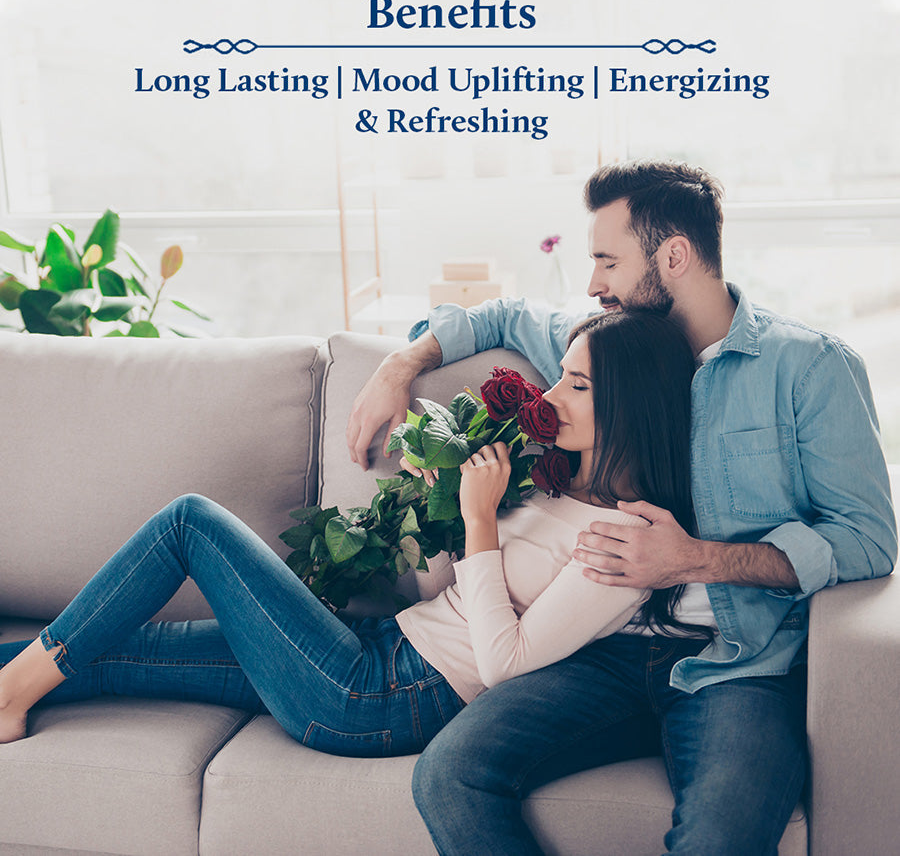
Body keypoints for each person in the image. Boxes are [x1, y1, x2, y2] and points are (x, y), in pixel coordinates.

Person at [346, 159, 897, 854]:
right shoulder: (604, 342)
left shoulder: (809, 368)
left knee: (720, 838)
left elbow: (868, 540)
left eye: (608, 260)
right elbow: (502, 314)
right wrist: (399, 366)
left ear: (673, 257)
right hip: (594, 650)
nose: (593, 284)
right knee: (451, 775)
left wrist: (695, 560)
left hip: (732, 663)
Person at [0, 311, 697, 757]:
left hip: (380, 700)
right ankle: (12, 684)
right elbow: (449, 594)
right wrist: (447, 509)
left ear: (632, 403)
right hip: (380, 649)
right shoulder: (553, 480)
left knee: (191, 523)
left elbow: (503, 667)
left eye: (576, 386)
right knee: (122, 649)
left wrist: (481, 521)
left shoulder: (628, 544)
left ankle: (11, 694)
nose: (549, 398)